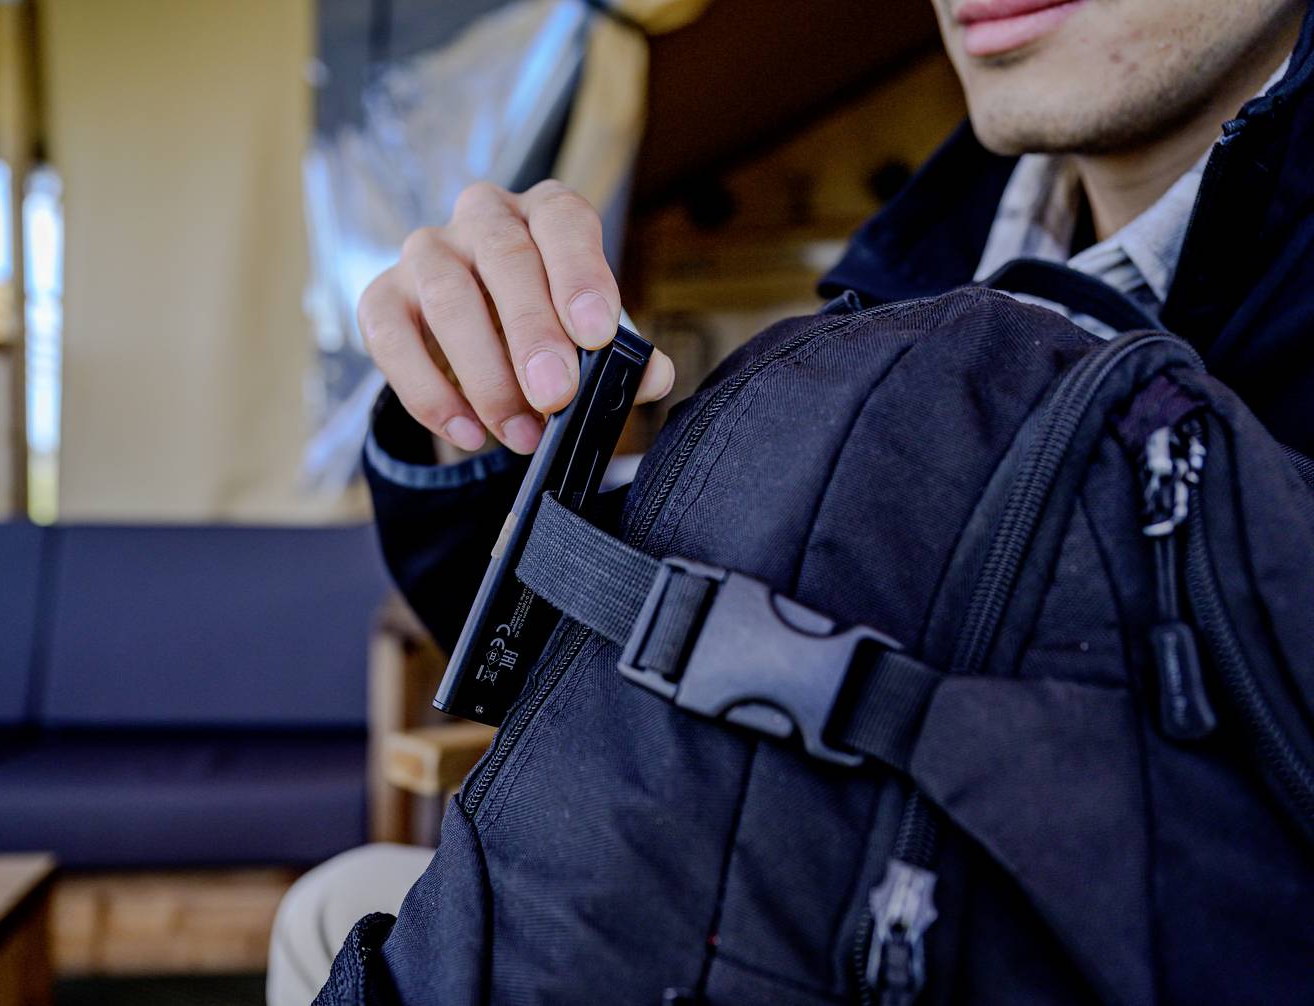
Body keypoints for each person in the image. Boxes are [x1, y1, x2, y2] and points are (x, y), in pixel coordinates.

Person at [268, 0, 1313, 1000]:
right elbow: (599, 682)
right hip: (798, 896)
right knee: (337, 904)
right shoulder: (901, 279)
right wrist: (481, 416)